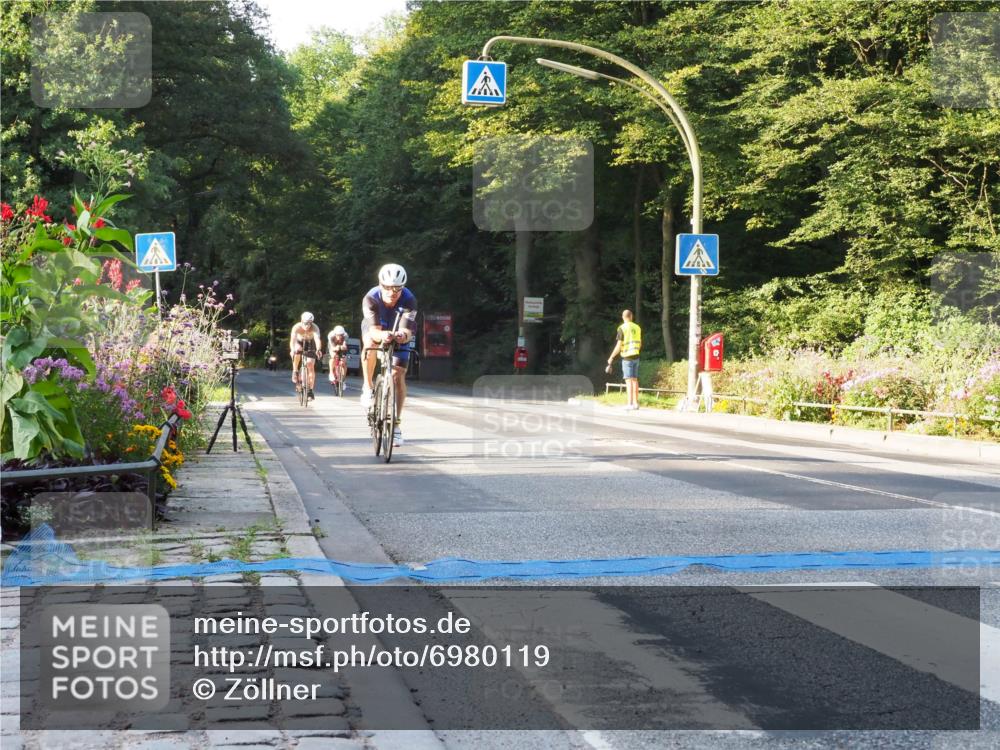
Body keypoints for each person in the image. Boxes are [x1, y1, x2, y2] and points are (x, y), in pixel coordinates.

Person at [360, 263, 417, 446]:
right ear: (380, 284)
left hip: (397, 326)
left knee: (397, 375)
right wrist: (383, 335)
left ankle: (396, 425)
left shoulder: (409, 299)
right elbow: (375, 331)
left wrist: (402, 335)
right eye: (387, 288)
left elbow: (407, 331)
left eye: (397, 289)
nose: (392, 293)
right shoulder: (371, 298)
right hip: (377, 326)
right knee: (370, 343)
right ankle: (368, 387)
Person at [606, 309, 642, 410]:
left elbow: (618, 346)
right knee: (635, 380)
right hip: (636, 356)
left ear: (623, 317)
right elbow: (640, 343)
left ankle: (629, 404)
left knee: (628, 381)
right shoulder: (637, 327)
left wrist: (611, 357)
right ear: (631, 316)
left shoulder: (622, 328)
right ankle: (636, 403)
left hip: (627, 357)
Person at [289, 312, 322, 400]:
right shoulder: (297, 327)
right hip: (299, 342)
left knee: (310, 364)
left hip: (310, 343)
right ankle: (295, 370)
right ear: (301, 321)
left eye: (309, 323)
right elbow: (292, 340)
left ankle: (310, 390)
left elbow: (317, 340)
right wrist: (292, 349)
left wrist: (318, 349)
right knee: (297, 350)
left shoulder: (315, 327)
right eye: (305, 323)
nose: (307, 325)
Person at [327, 325, 349, 391]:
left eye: (341, 335)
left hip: (341, 345)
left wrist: (343, 347)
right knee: (333, 356)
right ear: (335, 334)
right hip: (333, 345)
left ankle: (343, 380)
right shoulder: (331, 335)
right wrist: (335, 348)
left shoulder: (346, 336)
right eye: (338, 335)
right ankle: (331, 373)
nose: (339, 337)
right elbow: (331, 346)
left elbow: (345, 345)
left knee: (344, 362)